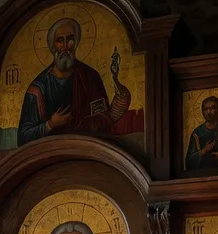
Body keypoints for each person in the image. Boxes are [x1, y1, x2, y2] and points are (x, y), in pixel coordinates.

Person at [17, 17, 132, 146]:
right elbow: (23, 137)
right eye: (60, 40)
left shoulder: (90, 78)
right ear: (52, 46)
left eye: (70, 39)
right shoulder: (38, 88)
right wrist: (50, 125)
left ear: (76, 42)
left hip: (85, 150)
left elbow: (103, 119)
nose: (66, 46)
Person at [185, 95, 218, 170]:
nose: (209, 112)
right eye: (205, 109)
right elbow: (189, 162)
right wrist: (204, 151)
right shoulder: (197, 133)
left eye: (212, 108)